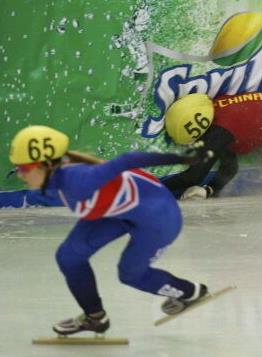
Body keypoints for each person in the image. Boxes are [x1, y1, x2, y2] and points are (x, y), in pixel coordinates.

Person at [9, 125, 209, 335]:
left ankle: (190, 292)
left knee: (131, 274)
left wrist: (183, 158)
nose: (20, 175)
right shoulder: (55, 176)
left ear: (45, 165)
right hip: (118, 211)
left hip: (157, 217)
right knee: (69, 257)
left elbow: (127, 160)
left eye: (23, 169)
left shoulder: (80, 181)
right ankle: (95, 318)